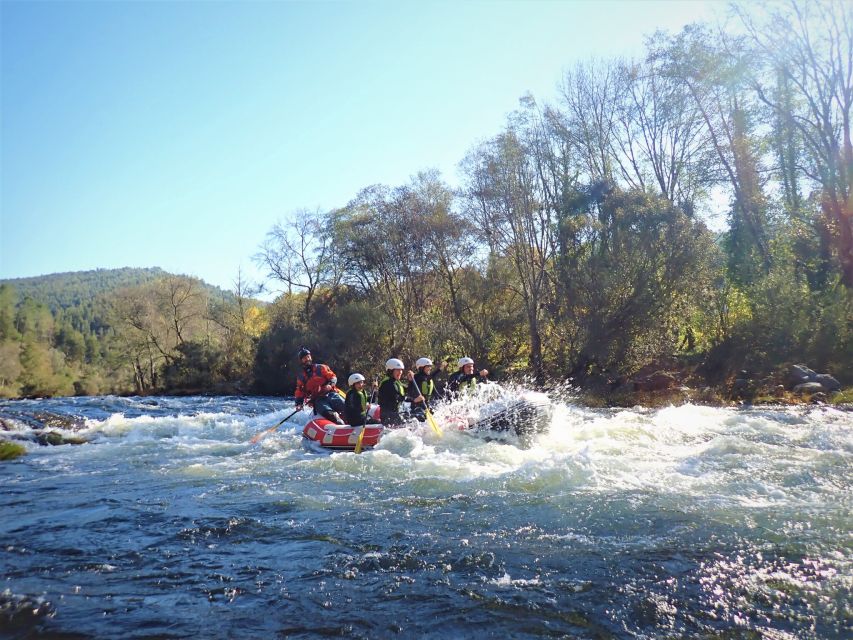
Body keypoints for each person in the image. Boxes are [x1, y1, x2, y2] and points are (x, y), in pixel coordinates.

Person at [294, 347, 345, 423]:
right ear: (301, 360)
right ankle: (339, 423)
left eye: (308, 357)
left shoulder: (321, 367)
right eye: (304, 358)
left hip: (331, 394)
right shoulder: (301, 377)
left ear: (311, 357)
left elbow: (333, 377)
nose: (307, 359)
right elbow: (299, 392)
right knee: (331, 416)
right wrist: (299, 404)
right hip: (318, 400)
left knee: (346, 407)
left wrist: (330, 385)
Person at [378, 358, 423, 426]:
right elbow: (398, 397)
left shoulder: (396, 382)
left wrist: (411, 381)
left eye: (401, 370)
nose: (400, 372)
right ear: (391, 370)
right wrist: (414, 400)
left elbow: (408, 390)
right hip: (388, 416)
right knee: (411, 421)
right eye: (398, 370)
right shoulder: (387, 383)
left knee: (417, 417)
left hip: (394, 414)